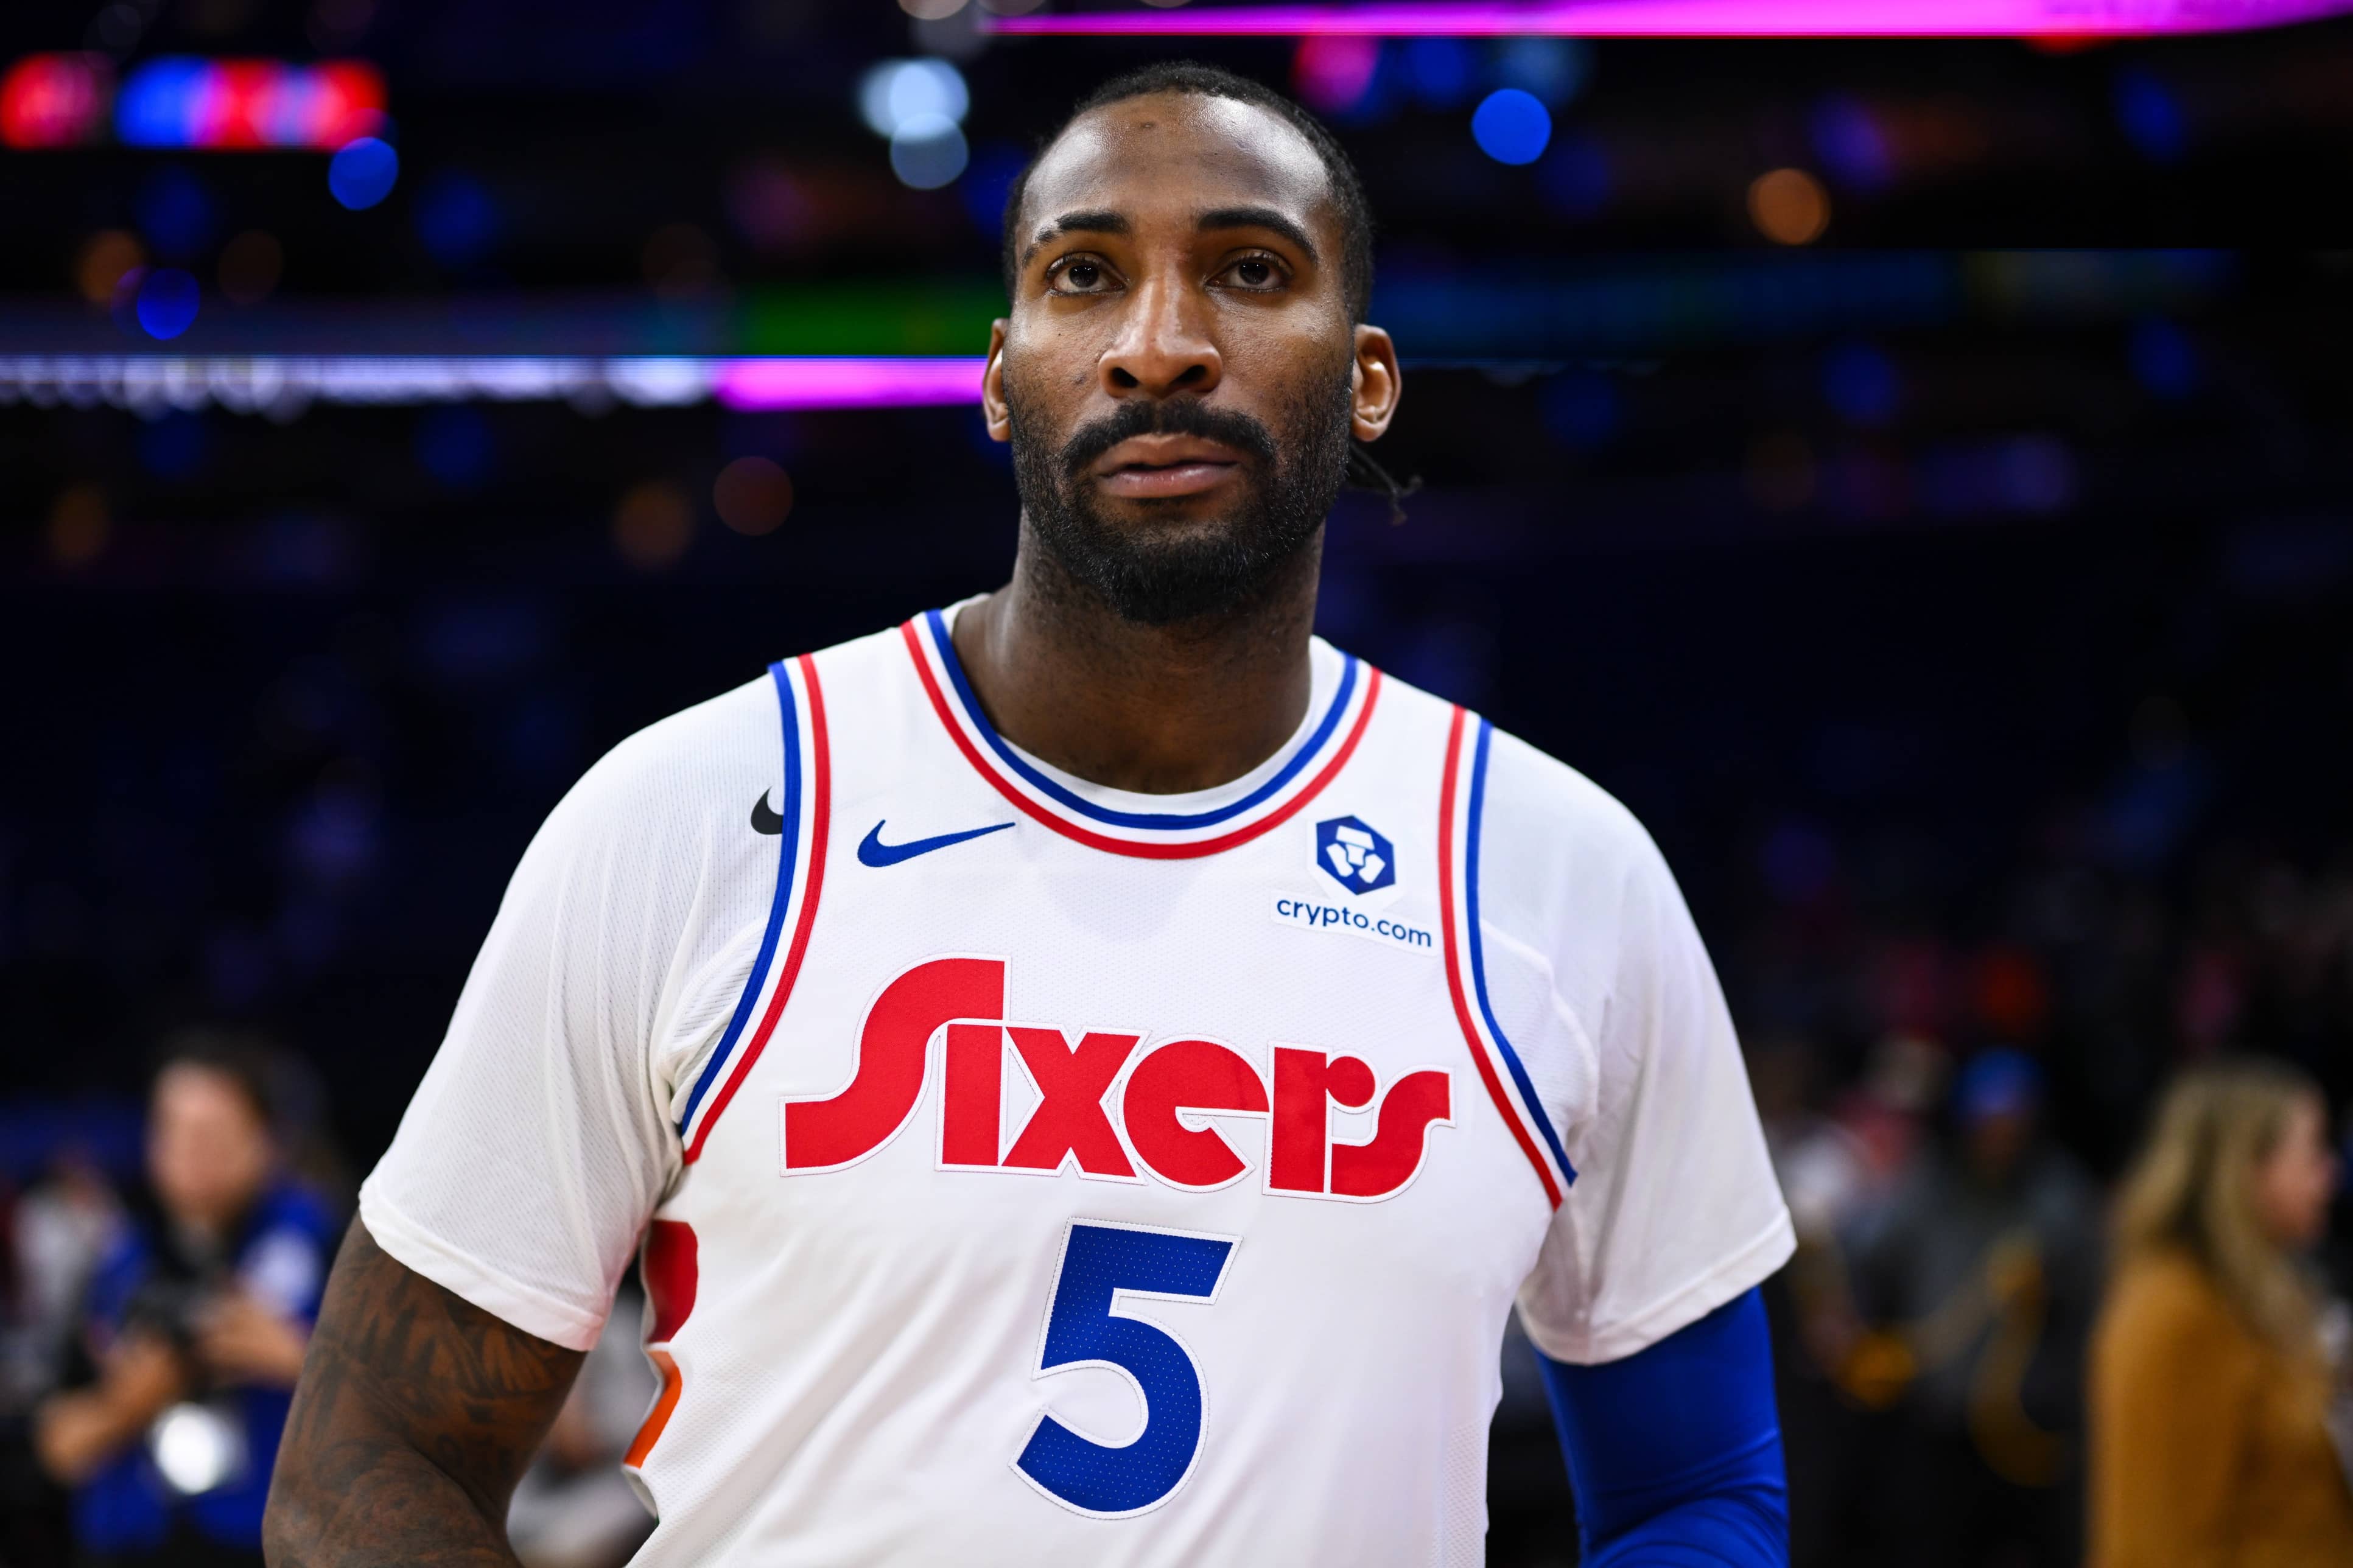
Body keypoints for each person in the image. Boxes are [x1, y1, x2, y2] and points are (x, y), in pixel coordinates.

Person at [265, 63, 1796, 1566]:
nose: (1160, 344)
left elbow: (1700, 1500)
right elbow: (367, 1464)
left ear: (1368, 377)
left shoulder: (1562, 876)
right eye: (1085, 275)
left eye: (1251, 272)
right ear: (1001, 378)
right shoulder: (697, 817)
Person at [36, 1037, 335, 1566]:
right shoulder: (115, 1260)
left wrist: (297, 1359)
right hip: (135, 1548)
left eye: (213, 1133)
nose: (191, 1154)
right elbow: (56, 1446)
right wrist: (127, 1404)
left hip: (281, 1548)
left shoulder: (330, 1245)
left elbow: (419, 1412)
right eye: (173, 1130)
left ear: (267, 1139)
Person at [1842, 1048, 2102, 1567]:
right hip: (1939, 1420)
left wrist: (2052, 1290)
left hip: (2028, 1425)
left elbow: (2093, 1293)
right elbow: (1865, 1258)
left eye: (2013, 1123)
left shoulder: (2059, 1195)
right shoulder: (1926, 1188)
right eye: (1988, 1123)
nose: (1999, 1137)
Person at [2089, 1059, 2353, 1567]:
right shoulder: (2173, 1311)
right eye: (2312, 1150)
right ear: (2244, 1167)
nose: (2330, 1173)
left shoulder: (2259, 1296)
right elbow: (2158, 1545)